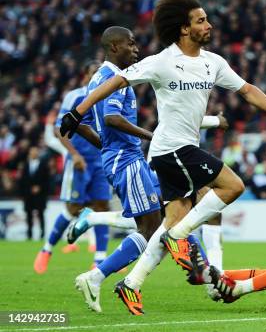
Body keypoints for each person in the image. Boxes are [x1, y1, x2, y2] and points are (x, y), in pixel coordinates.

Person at [59, 0, 266, 313]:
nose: (209, 25)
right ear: (185, 29)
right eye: (201, 20)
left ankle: (131, 284)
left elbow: (247, 90)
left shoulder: (213, 63)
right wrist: (79, 110)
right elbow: (117, 81)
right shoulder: (162, 61)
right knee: (232, 186)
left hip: (181, 149)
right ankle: (182, 237)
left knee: (166, 224)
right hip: (172, 150)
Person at [65, 26, 214, 314]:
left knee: (162, 219)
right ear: (114, 48)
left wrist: (106, 149)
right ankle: (96, 277)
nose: (136, 49)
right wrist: (150, 136)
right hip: (128, 160)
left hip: (122, 158)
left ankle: (202, 270)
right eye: (130, 44)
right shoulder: (113, 79)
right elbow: (111, 118)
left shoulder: (96, 79)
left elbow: (81, 124)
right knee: (151, 228)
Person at [33, 62, 112, 275]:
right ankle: (46, 249)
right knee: (73, 207)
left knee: (102, 206)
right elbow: (60, 129)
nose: (98, 78)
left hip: (101, 161)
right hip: (79, 160)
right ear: (85, 76)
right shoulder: (75, 96)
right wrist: (74, 154)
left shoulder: (109, 98)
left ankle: (99, 260)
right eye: (94, 73)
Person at [19, 146, 51, 241]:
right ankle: (29, 234)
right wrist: (28, 189)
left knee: (41, 214)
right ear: (29, 153)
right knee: (28, 215)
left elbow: (47, 180)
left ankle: (42, 234)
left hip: (40, 195)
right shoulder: (25, 165)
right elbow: (23, 180)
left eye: (35, 151)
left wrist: (40, 187)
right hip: (28, 195)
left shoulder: (44, 165)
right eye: (32, 152)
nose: (34, 153)